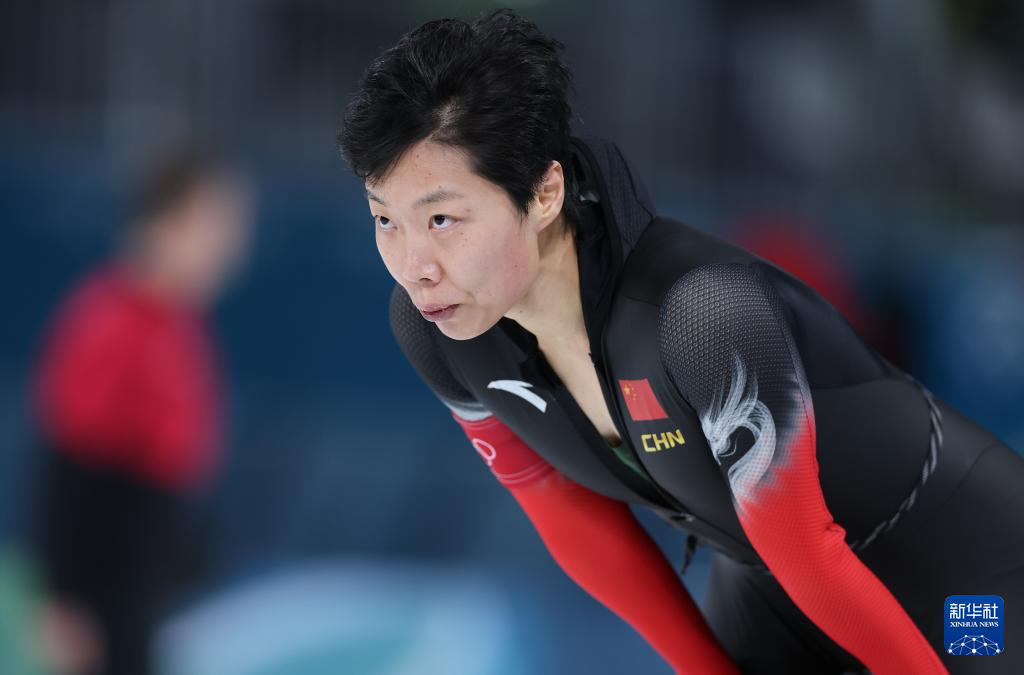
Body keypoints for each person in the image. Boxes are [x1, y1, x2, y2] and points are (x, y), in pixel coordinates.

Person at [337, 9, 1023, 674]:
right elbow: (581, 530)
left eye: (443, 220)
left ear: (544, 194)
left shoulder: (703, 313)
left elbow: (808, 548)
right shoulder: (442, 333)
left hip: (957, 564)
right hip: (776, 585)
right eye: (386, 220)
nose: (414, 265)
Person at [29, 148, 251, 675]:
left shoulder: (182, 327)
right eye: (217, 224)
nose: (231, 245)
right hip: (104, 593)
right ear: (167, 223)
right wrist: (62, 598)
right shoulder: (110, 321)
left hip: (147, 584)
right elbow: (72, 464)